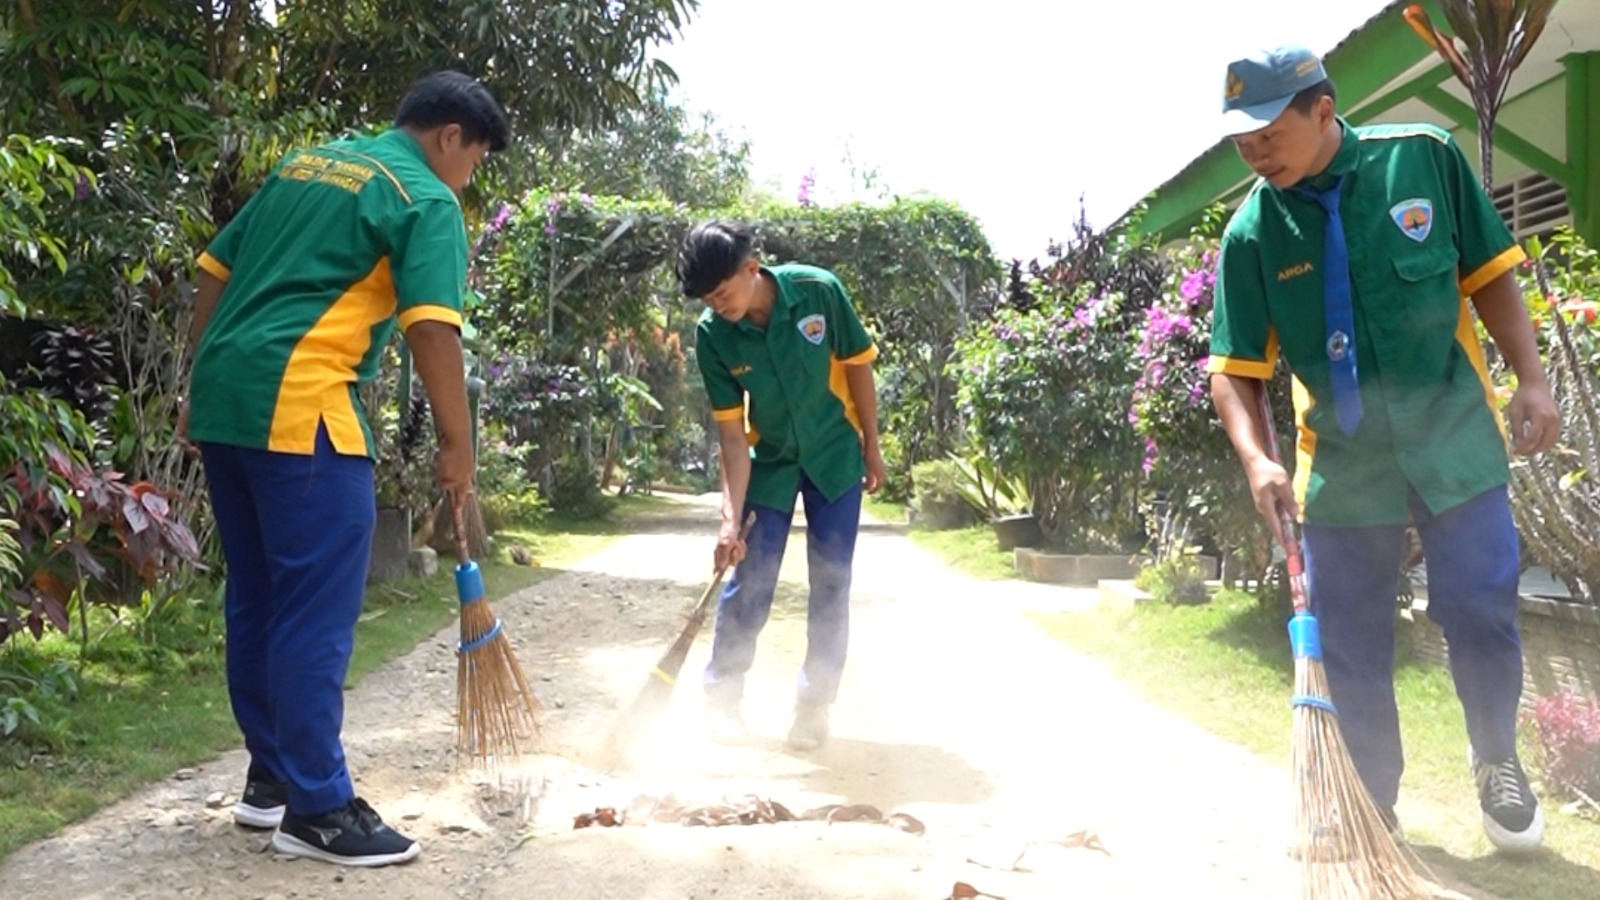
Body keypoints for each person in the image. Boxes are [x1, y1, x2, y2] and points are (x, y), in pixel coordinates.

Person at [1205, 44, 1560, 854]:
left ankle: (1496, 760)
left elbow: (1492, 274)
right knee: (1349, 633)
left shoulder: (1423, 162)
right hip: (1342, 458)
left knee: (1479, 605)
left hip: (1453, 436)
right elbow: (1234, 373)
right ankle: (1370, 798)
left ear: (1323, 110)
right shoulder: (1252, 232)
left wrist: (1531, 379)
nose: (1254, 151)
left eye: (1267, 130)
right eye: (1241, 138)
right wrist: (1257, 460)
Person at [178, 71, 509, 867]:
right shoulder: (424, 197)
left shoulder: (307, 164)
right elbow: (433, 332)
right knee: (315, 610)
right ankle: (318, 809)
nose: (469, 179)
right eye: (476, 161)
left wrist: (202, 381)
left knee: (259, 596)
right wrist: (459, 447)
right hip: (302, 407)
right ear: (450, 137)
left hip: (229, 400)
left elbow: (214, 272)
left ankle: (272, 780)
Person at [675, 221, 887, 751]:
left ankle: (814, 708)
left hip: (835, 457)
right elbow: (730, 432)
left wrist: (872, 446)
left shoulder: (819, 291)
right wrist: (729, 520)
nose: (717, 305)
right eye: (707, 298)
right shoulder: (713, 335)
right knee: (753, 576)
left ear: (751, 269)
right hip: (769, 461)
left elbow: (859, 367)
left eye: (722, 292)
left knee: (831, 580)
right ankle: (723, 698)